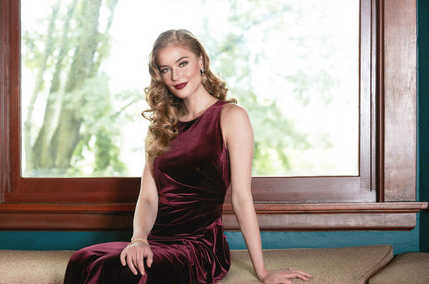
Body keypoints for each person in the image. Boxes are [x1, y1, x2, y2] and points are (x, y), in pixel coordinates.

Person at [63, 29, 312, 284]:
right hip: (156, 240)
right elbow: (148, 197)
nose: (176, 75)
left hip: (198, 246)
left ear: (200, 62)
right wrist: (139, 240)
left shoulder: (231, 116)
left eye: (183, 63)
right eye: (165, 69)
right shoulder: (161, 126)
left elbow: (241, 197)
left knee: (114, 271)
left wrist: (263, 272)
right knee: (84, 259)